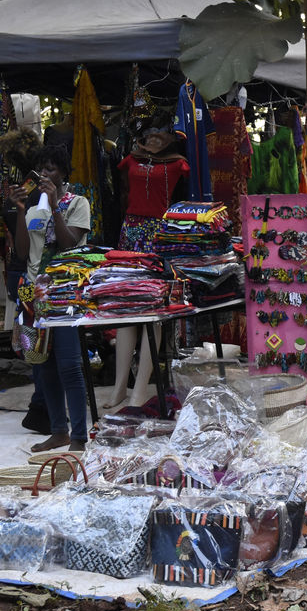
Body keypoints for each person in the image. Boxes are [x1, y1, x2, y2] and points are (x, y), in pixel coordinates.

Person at [11, 145, 92, 453]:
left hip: (65, 291)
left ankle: (79, 436)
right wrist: (21, 210)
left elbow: (68, 244)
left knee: (69, 364)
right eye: (41, 169)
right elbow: (22, 253)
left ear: (63, 173)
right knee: (41, 364)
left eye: (51, 169)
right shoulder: (34, 209)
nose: (45, 174)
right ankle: (58, 431)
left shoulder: (78, 203)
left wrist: (56, 206)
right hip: (32, 294)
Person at [109, 126, 190, 409]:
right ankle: (120, 385)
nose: (153, 139)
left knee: (153, 310)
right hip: (130, 232)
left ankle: (140, 388)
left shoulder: (179, 164)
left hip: (157, 234)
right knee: (127, 307)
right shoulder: (130, 160)